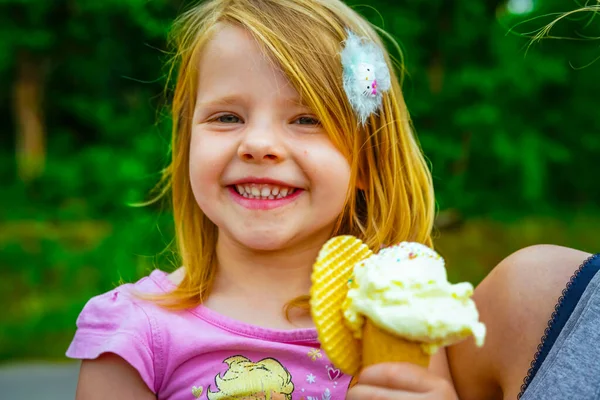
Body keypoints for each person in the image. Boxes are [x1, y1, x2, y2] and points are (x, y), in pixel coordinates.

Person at [65, 0, 600, 399]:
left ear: (366, 163)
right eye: (226, 116)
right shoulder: (134, 335)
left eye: (307, 120)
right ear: (187, 143)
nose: (258, 145)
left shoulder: (402, 318)